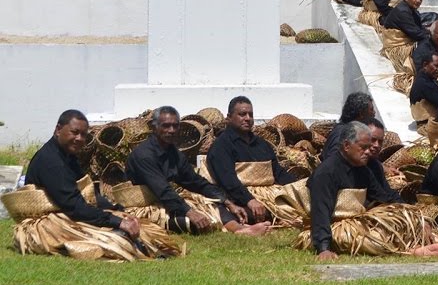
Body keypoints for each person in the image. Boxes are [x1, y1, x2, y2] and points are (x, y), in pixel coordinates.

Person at [309, 121, 438, 259]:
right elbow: (320, 211)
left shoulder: (362, 169)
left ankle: (418, 242)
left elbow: (385, 196)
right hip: (335, 227)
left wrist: (417, 219)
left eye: (369, 147)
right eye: (363, 147)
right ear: (346, 146)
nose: (369, 151)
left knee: (393, 223)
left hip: (356, 221)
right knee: (369, 238)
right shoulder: (326, 172)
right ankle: (411, 251)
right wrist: (323, 248)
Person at [125, 106, 257, 235]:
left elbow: (195, 182)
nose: (171, 130)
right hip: (146, 208)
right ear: (154, 127)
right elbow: (163, 191)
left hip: (166, 201)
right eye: (166, 126)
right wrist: (189, 211)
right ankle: (239, 230)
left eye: (175, 126)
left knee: (213, 205)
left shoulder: (174, 153)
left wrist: (227, 201)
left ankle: (240, 228)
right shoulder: (144, 156)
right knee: (190, 222)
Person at [25, 109, 141, 240]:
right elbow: (74, 207)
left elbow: (88, 191)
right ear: (58, 130)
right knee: (118, 237)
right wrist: (118, 222)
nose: (79, 138)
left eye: (83, 134)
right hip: (49, 223)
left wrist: (116, 210)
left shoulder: (67, 156)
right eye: (74, 132)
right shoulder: (51, 162)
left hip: (68, 211)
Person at [205, 96, 295, 227]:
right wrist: (250, 200)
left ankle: (271, 216)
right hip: (238, 198)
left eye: (250, 114)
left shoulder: (262, 144)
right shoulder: (221, 146)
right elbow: (228, 180)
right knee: (237, 212)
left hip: (268, 197)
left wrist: (300, 186)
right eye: (242, 114)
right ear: (229, 117)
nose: (247, 118)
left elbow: (278, 173)